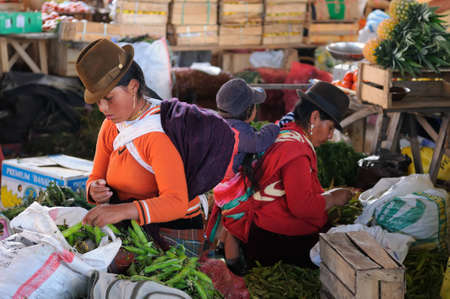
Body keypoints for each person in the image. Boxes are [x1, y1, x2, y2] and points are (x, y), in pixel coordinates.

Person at [76, 39, 204, 251]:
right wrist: (94, 189)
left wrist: (123, 210)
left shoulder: (157, 134)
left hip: (173, 233)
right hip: (134, 225)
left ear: (133, 87)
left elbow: (176, 202)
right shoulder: (112, 124)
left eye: (108, 98)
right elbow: (95, 175)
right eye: (98, 101)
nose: (103, 108)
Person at [219, 81, 355, 270]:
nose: (331, 136)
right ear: (314, 117)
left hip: (258, 227)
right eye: (330, 128)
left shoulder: (285, 127)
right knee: (338, 251)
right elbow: (302, 207)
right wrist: (332, 198)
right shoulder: (296, 152)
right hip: (274, 242)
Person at [214, 78, 280, 273]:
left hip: (219, 183)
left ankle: (222, 247)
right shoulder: (239, 134)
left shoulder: (221, 124)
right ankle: (234, 264)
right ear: (249, 112)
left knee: (230, 220)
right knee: (236, 226)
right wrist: (274, 127)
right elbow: (259, 143)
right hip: (230, 189)